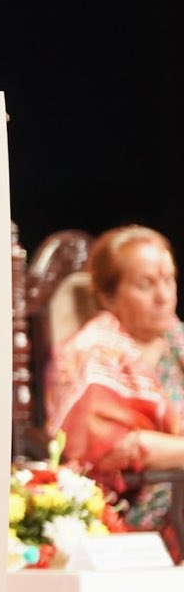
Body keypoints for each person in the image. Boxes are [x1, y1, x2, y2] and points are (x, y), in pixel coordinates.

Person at [45, 225, 184, 529]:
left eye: (168, 279)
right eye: (146, 284)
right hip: (126, 509)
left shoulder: (177, 341)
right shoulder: (92, 354)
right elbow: (117, 449)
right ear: (109, 296)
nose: (163, 296)